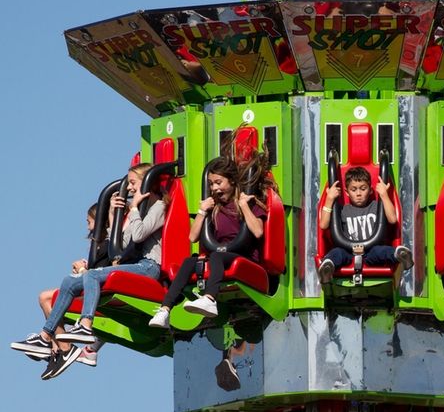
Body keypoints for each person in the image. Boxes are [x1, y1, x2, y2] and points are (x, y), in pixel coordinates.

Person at [11, 163, 167, 379]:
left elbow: (139, 235)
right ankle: (45, 335)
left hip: (150, 266)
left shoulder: (158, 206)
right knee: (69, 282)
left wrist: (132, 210)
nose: (130, 188)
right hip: (137, 263)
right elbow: (121, 244)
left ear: (147, 182)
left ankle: (85, 325)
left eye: (133, 183)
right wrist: (114, 216)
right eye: (129, 183)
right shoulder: (140, 208)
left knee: (91, 274)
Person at [148, 154, 272, 327]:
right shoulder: (215, 208)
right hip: (222, 255)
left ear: (232, 181)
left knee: (216, 256)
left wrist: (244, 206)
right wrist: (202, 211)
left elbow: (258, 232)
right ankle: (165, 310)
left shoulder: (249, 204)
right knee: (189, 262)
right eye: (211, 184)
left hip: (245, 257)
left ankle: (210, 299)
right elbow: (192, 237)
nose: (214, 188)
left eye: (218, 182)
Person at [17, 204, 108, 371]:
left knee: (46, 297)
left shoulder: (109, 242)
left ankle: (62, 348)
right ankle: (55, 347)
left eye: (89, 222)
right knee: (45, 296)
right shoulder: (99, 244)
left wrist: (83, 270)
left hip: (98, 291)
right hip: (93, 285)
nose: (87, 227)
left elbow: (102, 273)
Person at [316, 167, 414, 283]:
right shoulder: (342, 210)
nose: (358, 193)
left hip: (371, 250)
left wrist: (384, 195)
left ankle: (401, 256)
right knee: (336, 253)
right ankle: (327, 269)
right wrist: (330, 198)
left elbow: (393, 219)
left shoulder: (376, 207)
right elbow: (323, 225)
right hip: (347, 250)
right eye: (353, 189)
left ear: (371, 190)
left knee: (381, 251)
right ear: (346, 192)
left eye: (363, 189)